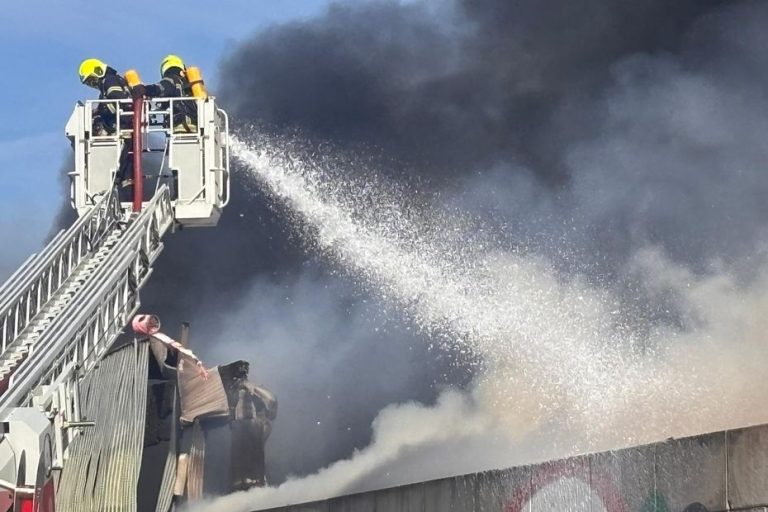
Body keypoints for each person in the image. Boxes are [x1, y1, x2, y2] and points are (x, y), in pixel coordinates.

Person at [78, 58, 139, 200]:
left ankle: (121, 190)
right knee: (125, 167)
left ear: (98, 71)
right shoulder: (112, 81)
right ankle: (124, 190)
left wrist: (101, 113)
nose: (93, 84)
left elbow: (119, 100)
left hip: (120, 127)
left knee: (120, 163)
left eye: (92, 79)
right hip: (124, 127)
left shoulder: (109, 81)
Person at [143, 54, 198, 133]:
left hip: (181, 124)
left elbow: (160, 88)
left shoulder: (171, 79)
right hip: (195, 124)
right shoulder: (189, 84)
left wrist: (144, 89)